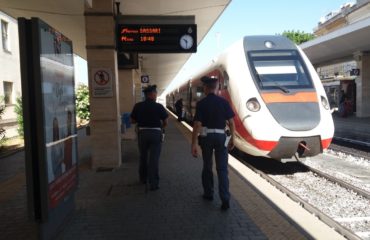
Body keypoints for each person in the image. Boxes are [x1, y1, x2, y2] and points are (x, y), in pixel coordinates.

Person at [191, 76, 235, 210]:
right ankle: (225, 199)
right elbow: (231, 123)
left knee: (207, 165)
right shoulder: (224, 102)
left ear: (205, 88)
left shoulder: (201, 103)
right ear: (217, 88)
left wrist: (193, 143)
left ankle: (209, 193)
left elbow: (197, 124)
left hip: (206, 137)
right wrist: (233, 138)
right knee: (222, 169)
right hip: (221, 137)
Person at [130, 85, 169, 190]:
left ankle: (143, 179)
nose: (156, 95)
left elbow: (132, 121)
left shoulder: (138, 106)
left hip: (142, 133)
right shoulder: (159, 107)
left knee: (143, 157)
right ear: (152, 94)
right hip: (156, 134)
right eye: (155, 93)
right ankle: (154, 183)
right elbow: (166, 122)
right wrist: (160, 128)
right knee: (154, 159)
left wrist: (141, 120)